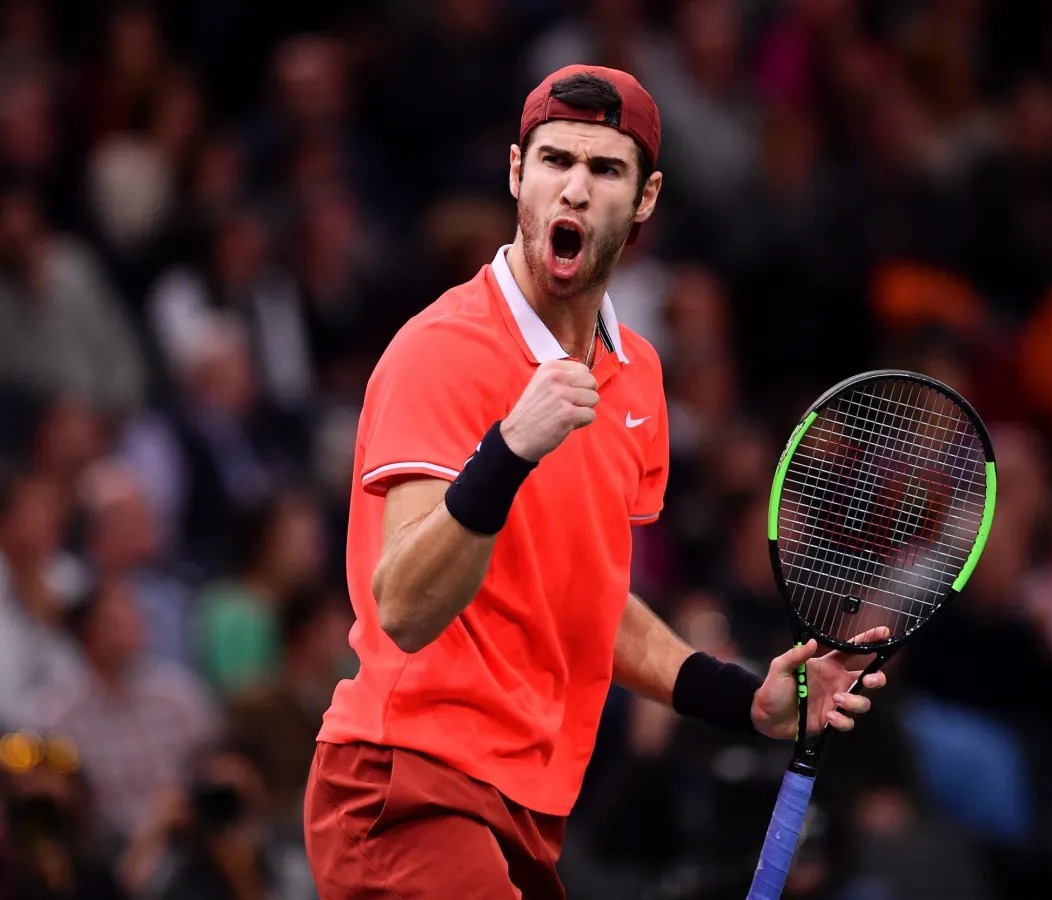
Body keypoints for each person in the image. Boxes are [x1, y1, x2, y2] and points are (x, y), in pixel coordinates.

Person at [302, 64, 888, 898]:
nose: (574, 189)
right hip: (407, 785)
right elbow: (400, 607)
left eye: (605, 170)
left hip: (528, 806)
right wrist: (507, 452)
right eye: (554, 162)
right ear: (516, 174)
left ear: (645, 198)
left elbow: (589, 599)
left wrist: (744, 700)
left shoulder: (637, 377)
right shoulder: (441, 351)